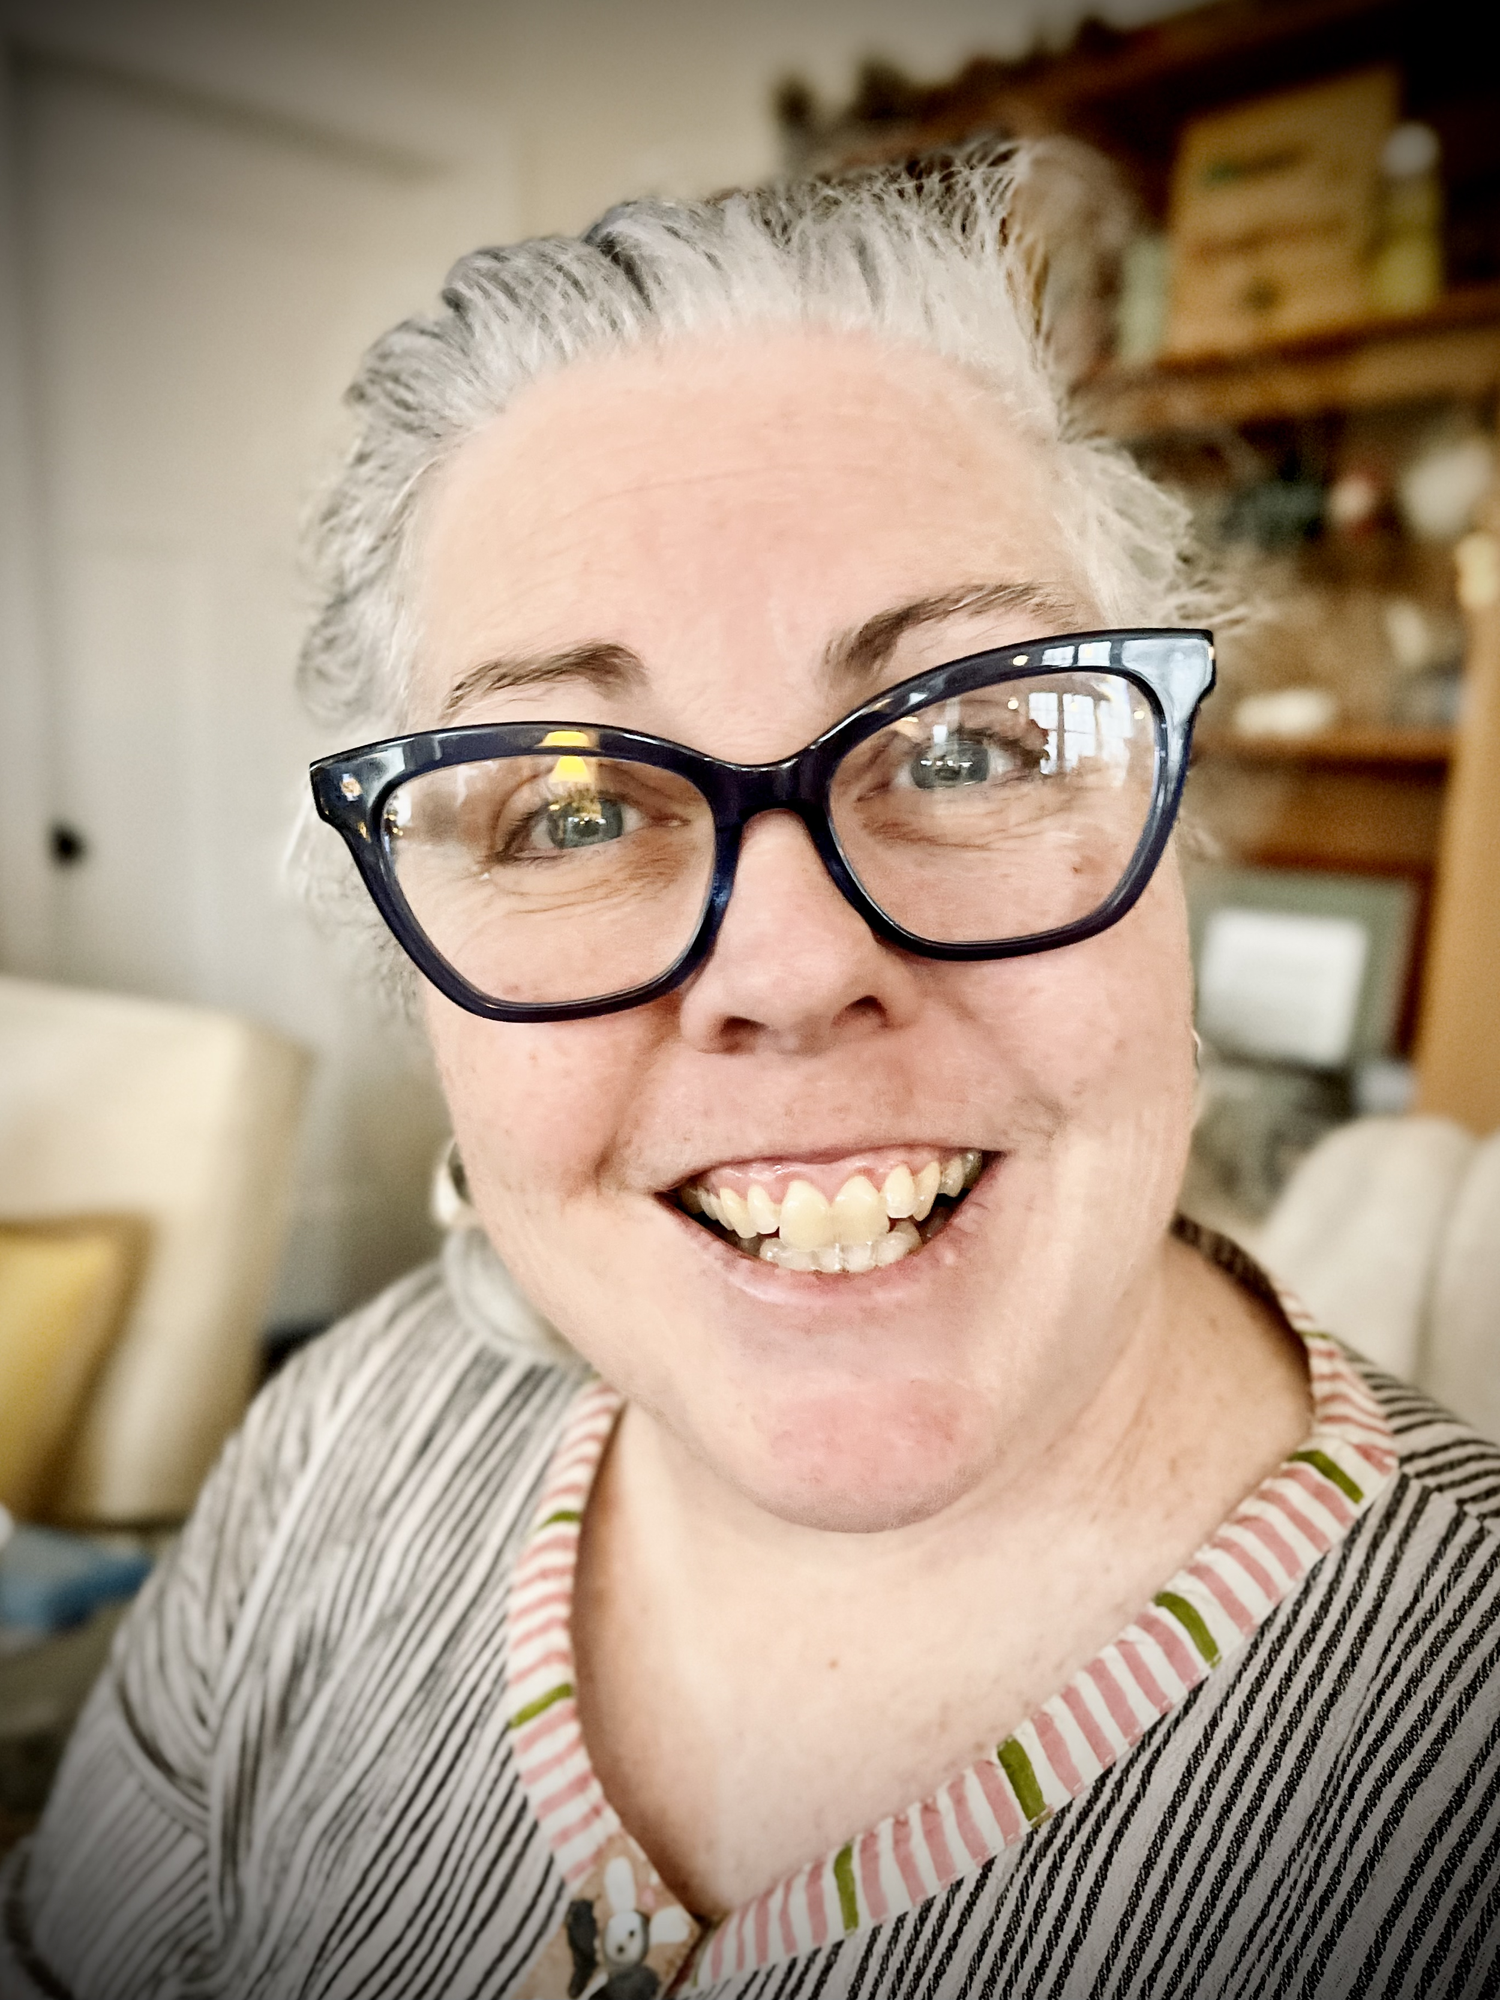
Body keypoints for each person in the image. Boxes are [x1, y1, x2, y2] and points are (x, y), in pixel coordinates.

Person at [3, 150, 1497, 2000]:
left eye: (967, 747)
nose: (789, 971)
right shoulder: (343, 1438)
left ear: (1174, 825)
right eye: (571, 808)